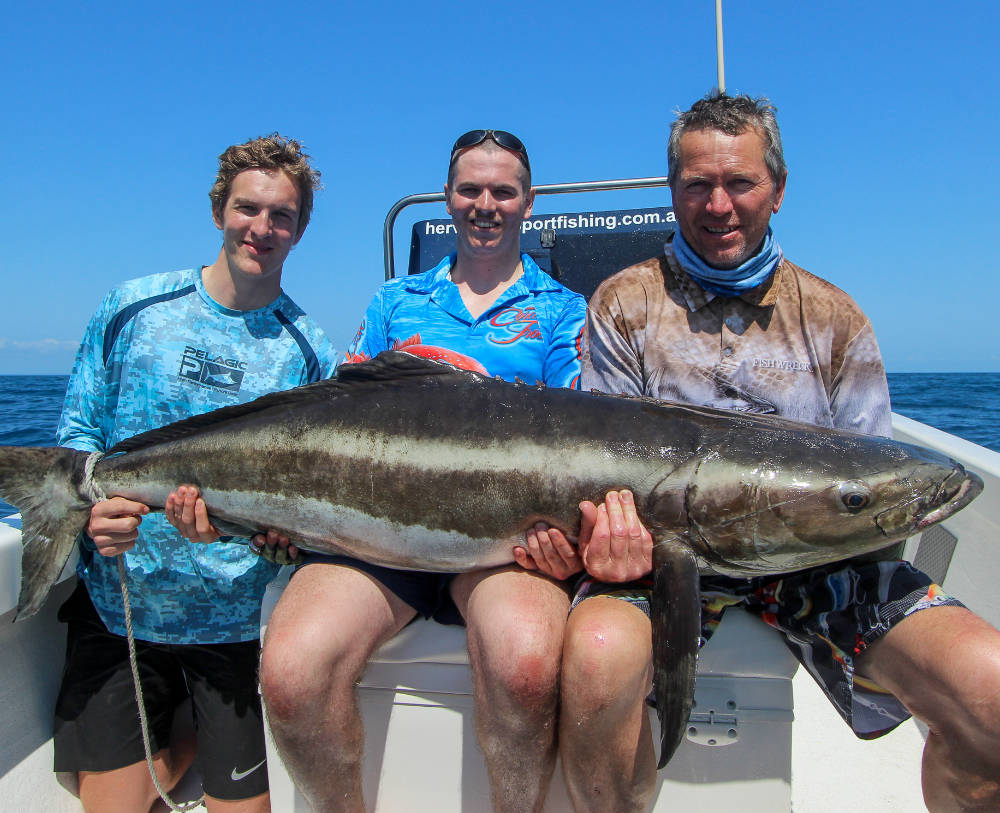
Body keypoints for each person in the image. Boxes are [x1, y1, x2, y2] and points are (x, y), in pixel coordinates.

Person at [525, 92, 1000, 812]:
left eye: (740, 182)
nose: (719, 205)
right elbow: (604, 467)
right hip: (666, 560)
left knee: (989, 691)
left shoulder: (835, 317)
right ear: (672, 192)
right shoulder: (623, 304)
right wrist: (608, 541)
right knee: (594, 666)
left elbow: (870, 488)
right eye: (697, 185)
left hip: (819, 561)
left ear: (777, 189)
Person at [255, 130, 587, 813]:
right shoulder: (392, 303)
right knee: (290, 673)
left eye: (502, 191)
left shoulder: (563, 312)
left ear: (528, 203)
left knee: (526, 666)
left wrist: (565, 544)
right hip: (380, 544)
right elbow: (337, 418)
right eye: (470, 190)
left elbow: (579, 446)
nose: (485, 205)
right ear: (447, 199)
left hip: (501, 550)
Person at [53, 133, 338, 813]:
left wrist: (267, 539)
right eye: (248, 208)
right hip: (122, 607)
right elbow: (78, 435)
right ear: (218, 211)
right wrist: (95, 512)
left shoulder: (310, 353)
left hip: (236, 626)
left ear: (299, 231)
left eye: (282, 216)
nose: (261, 228)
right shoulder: (133, 307)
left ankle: (182, 739)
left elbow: (306, 509)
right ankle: (167, 743)